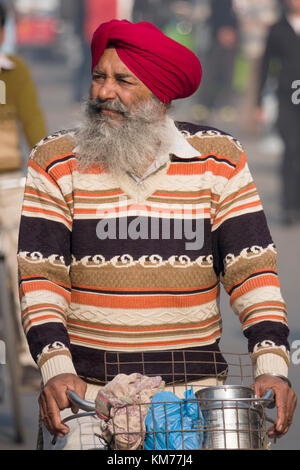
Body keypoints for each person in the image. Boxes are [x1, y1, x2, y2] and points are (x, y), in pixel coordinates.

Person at [17, 19, 296, 450]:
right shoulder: (55, 161)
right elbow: (40, 279)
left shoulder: (218, 158)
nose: (104, 92)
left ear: (160, 95)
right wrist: (55, 369)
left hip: (193, 393)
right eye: (99, 77)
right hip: (88, 395)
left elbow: (252, 272)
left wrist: (273, 364)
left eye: (123, 81)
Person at [0, 3, 47, 389]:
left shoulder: (13, 73)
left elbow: (33, 125)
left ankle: (24, 356)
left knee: (23, 265)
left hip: (8, 187)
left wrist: (46, 172)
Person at [256, 0, 300, 225]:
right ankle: (289, 206)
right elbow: (265, 64)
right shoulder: (278, 29)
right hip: (287, 98)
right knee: (291, 150)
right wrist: (259, 103)